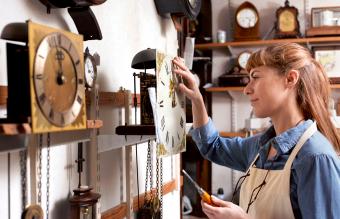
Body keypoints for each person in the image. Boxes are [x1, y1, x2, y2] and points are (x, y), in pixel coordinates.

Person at [172, 43, 340, 219]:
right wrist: (197, 100)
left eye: (255, 77)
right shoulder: (261, 148)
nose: (246, 89)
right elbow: (212, 146)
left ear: (290, 79)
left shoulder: (315, 157)